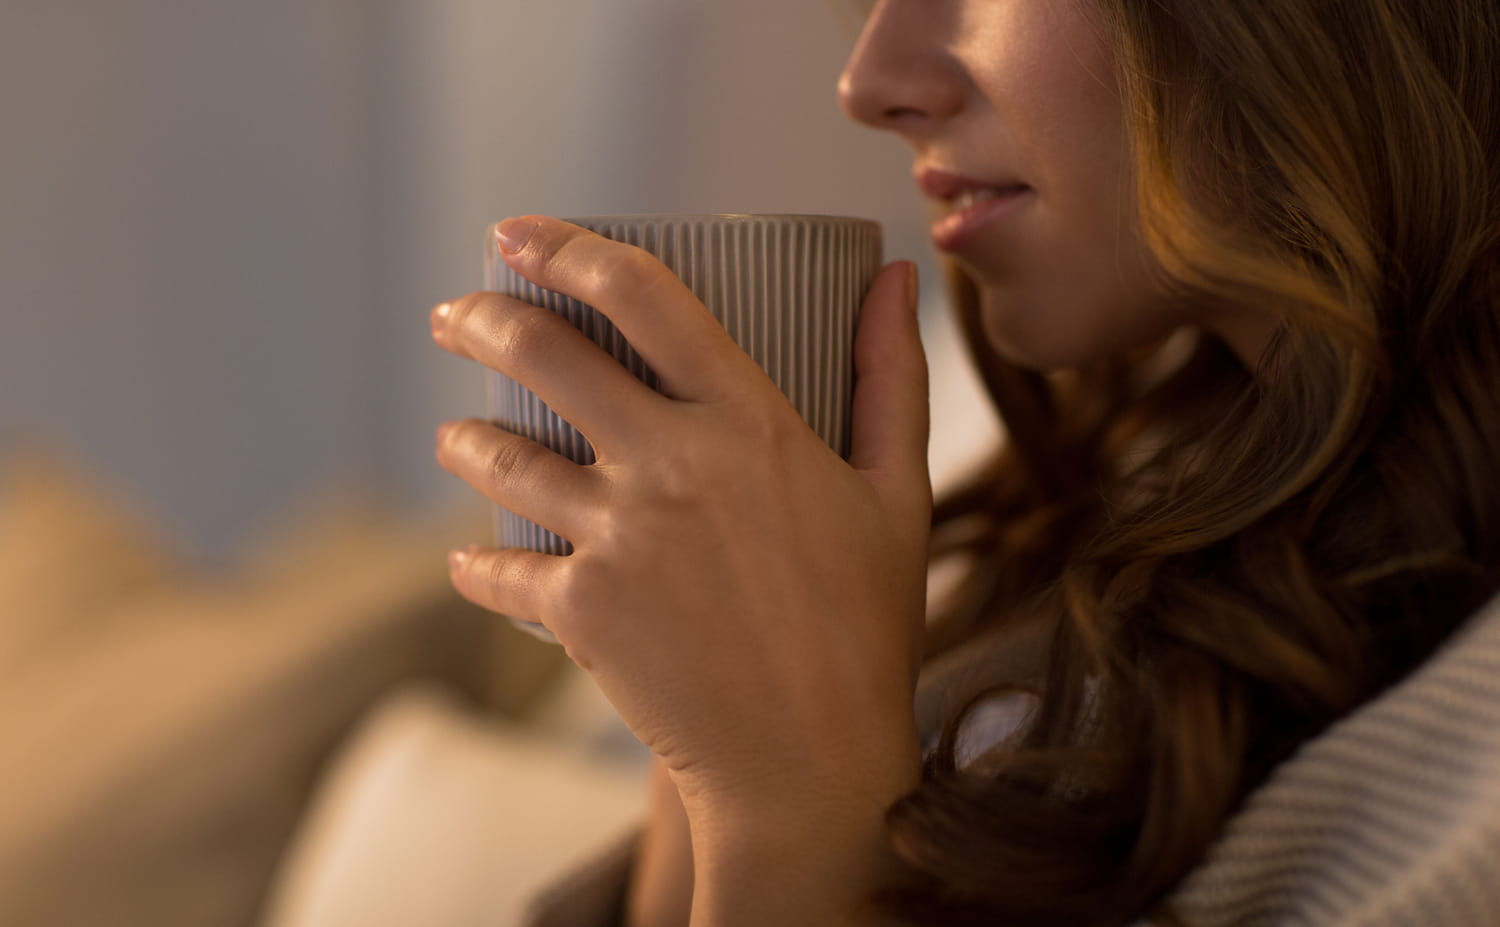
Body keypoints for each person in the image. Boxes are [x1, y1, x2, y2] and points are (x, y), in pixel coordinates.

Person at [429, 0, 1500, 923]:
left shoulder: (1462, 747)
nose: (867, 85)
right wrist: (717, 712)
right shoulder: (1128, 502)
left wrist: (794, 806)